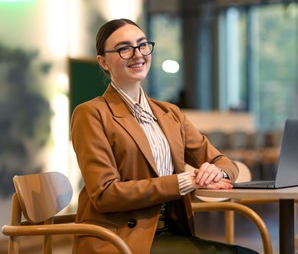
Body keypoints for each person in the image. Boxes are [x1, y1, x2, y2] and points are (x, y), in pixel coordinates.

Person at [70, 18, 258, 254]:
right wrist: (184, 182)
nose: (137, 54)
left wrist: (215, 171)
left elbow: (224, 162)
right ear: (103, 62)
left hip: (170, 232)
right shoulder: (91, 113)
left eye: (142, 45)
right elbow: (105, 194)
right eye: (124, 48)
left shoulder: (169, 113)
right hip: (119, 239)